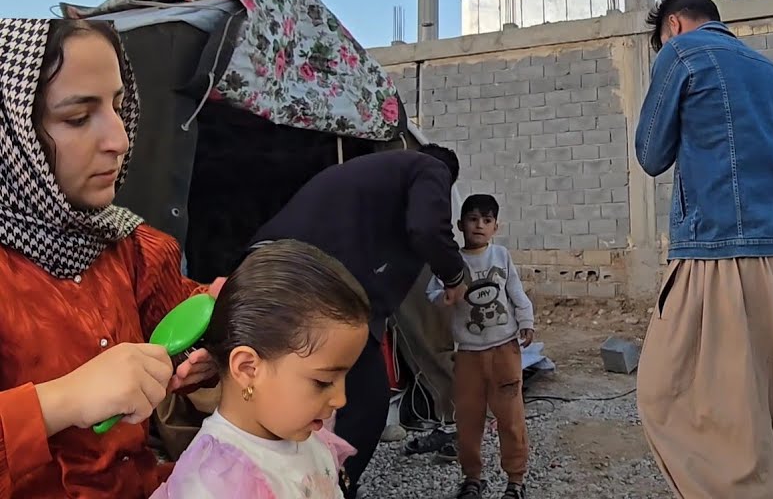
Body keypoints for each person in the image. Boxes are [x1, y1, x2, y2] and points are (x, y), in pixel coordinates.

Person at [0, 18, 220, 497]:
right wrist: (61, 400)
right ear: (10, 133)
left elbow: (182, 322)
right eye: (78, 118)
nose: (119, 140)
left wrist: (210, 348)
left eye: (120, 107)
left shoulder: (131, 248)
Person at [633, 0, 773, 497]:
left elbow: (651, 153)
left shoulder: (681, 54)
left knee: (675, 393)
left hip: (714, 251)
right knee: (769, 402)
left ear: (672, 25)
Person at [249, 145, 469, 497]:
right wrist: (455, 276)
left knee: (284, 391)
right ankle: (334, 488)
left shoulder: (372, 177)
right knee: (367, 402)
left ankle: (275, 483)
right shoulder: (430, 167)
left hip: (269, 268)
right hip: (310, 279)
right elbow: (427, 229)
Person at [152, 240, 370, 497]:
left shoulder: (298, 423)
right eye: (323, 382)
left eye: (344, 376)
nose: (340, 399)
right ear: (247, 369)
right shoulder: (219, 482)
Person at [426, 194, 534, 499]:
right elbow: (432, 292)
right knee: (469, 419)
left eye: (486, 221)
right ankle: (472, 478)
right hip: (469, 353)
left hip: (505, 350)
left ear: (496, 227)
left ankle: (515, 480)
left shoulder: (501, 257)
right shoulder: (451, 262)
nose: (479, 226)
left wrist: (526, 321)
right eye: (473, 219)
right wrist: (445, 298)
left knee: (510, 417)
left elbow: (516, 291)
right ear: (461, 225)